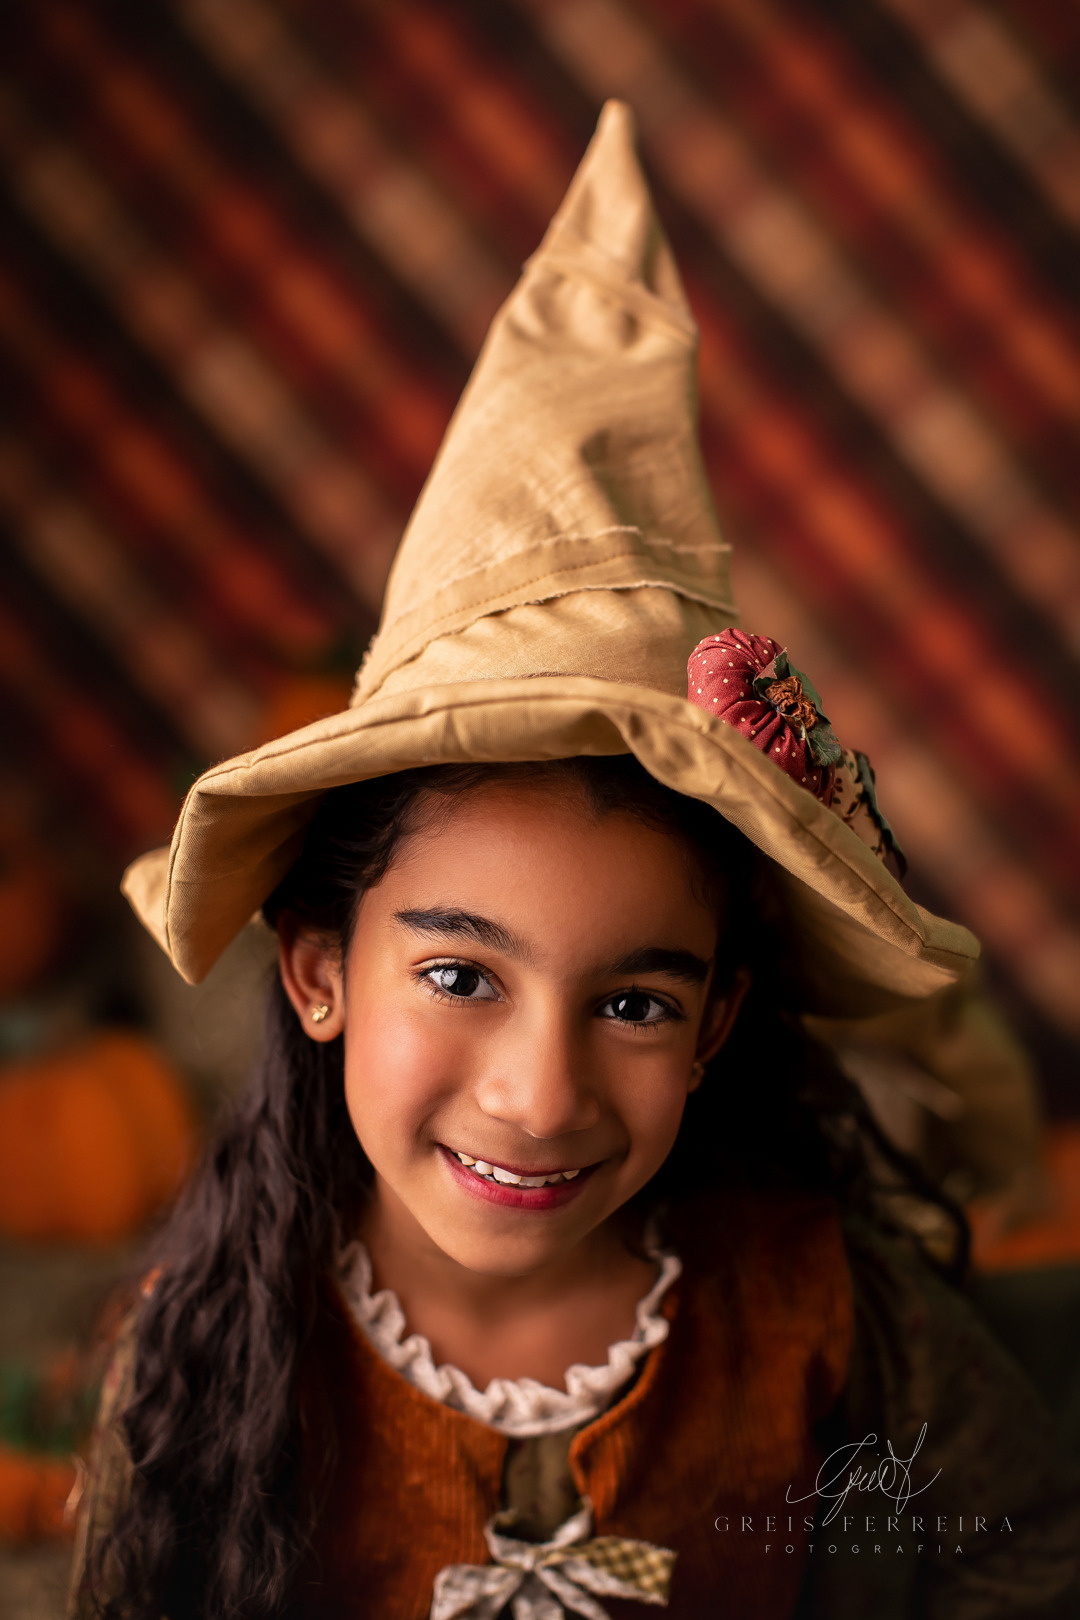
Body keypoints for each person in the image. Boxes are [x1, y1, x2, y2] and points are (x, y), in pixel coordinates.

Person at [70, 103, 1078, 1619]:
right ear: (321, 970)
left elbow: (994, 1554)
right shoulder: (210, 1359)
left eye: (634, 1004)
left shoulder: (833, 1325)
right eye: (462, 972)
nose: (539, 1096)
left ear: (719, 1021)